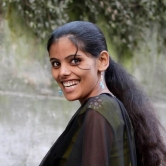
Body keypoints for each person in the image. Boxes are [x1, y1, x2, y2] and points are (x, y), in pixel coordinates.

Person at [39, 21, 166, 166]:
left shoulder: (98, 110)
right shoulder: (105, 107)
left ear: (102, 61)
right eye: (56, 63)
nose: (62, 72)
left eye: (75, 60)